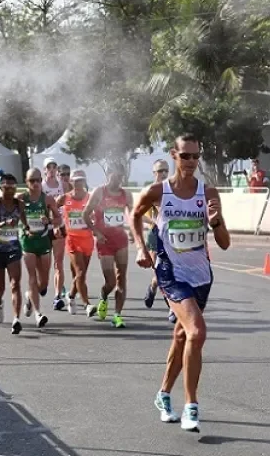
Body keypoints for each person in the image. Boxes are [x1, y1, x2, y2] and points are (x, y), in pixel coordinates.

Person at [131, 134, 230, 432]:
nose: (191, 162)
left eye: (196, 156)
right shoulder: (158, 191)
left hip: (201, 275)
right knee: (197, 332)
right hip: (170, 273)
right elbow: (135, 215)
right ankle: (191, 406)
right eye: (185, 155)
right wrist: (140, 247)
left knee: (182, 337)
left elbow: (224, 244)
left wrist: (215, 222)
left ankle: (163, 394)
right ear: (174, 155)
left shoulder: (208, 192)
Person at [83, 162, 133, 328]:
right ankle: (103, 296)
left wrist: (133, 231)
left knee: (122, 278)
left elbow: (131, 215)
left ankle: (117, 315)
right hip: (104, 241)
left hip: (121, 240)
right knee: (110, 282)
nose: (117, 179)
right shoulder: (99, 192)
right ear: (108, 174)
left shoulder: (126, 194)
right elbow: (85, 214)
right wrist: (96, 232)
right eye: (114, 175)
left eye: (120, 176)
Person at [0, 173, 31, 335]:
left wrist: (28, 229)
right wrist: (3, 223)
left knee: (15, 283)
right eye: (6, 187)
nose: (10, 191)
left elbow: (24, 220)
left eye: (12, 187)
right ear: (0, 187)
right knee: (0, 288)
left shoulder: (20, 205)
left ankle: (16, 319)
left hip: (13, 249)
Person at [19, 167, 61, 328]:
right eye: (31, 181)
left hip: (43, 242)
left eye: (37, 180)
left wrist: (49, 221)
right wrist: (23, 227)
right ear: (26, 181)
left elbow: (59, 219)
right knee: (31, 276)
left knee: (43, 282)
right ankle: (38, 314)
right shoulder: (21, 198)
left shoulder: (48, 199)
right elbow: (13, 215)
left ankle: (30, 296)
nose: (35, 183)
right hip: (28, 241)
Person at [56, 170, 97, 318]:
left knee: (81, 275)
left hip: (87, 240)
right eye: (76, 181)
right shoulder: (64, 198)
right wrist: (56, 225)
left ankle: (71, 296)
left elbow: (98, 214)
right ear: (71, 182)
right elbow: (52, 209)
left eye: (81, 180)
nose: (78, 183)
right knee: (80, 272)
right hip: (72, 239)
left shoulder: (90, 197)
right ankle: (87, 304)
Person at [142, 159, 176, 323]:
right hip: (155, 234)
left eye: (165, 170)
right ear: (154, 173)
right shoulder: (150, 191)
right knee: (159, 271)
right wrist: (154, 222)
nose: (163, 174)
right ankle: (169, 305)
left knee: (170, 271)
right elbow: (138, 215)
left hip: (171, 234)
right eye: (160, 171)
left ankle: (170, 305)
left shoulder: (173, 189)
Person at [41, 157, 68, 310]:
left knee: (59, 263)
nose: (51, 169)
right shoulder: (41, 185)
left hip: (59, 227)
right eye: (48, 167)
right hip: (45, 228)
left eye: (54, 167)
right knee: (44, 265)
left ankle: (57, 296)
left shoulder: (63, 185)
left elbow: (72, 200)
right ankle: (38, 288)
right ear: (45, 170)